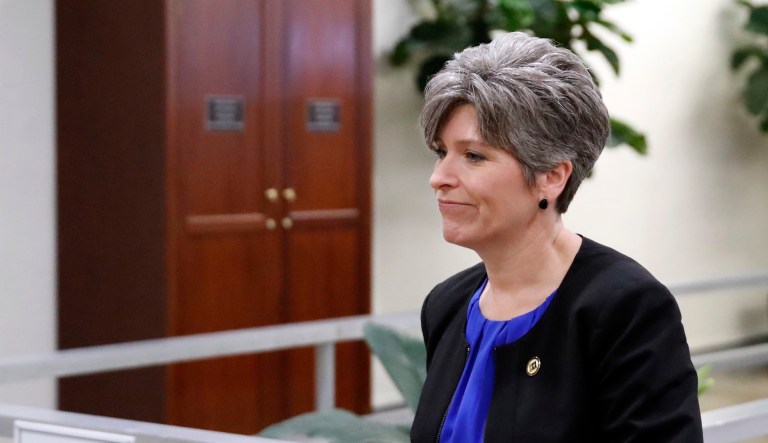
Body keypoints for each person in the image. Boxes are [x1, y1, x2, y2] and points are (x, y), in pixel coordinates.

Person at [409, 32, 703, 442]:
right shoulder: (447, 305)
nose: (439, 178)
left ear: (551, 176)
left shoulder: (623, 308)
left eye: (473, 156)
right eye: (442, 152)